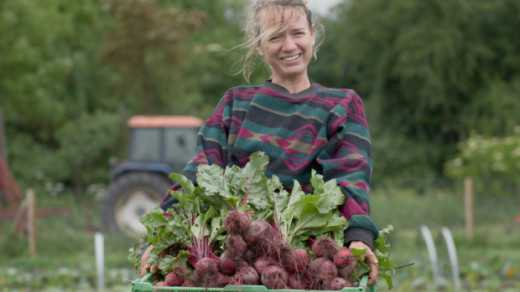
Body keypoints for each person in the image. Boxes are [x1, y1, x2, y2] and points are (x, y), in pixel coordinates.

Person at [141, 0, 379, 286]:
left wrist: (359, 237)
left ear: (314, 34)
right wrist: (163, 231)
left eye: (297, 33)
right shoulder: (235, 103)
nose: (289, 46)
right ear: (258, 45)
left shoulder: (341, 104)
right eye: (275, 37)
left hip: (305, 265)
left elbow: (350, 175)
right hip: (231, 260)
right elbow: (199, 172)